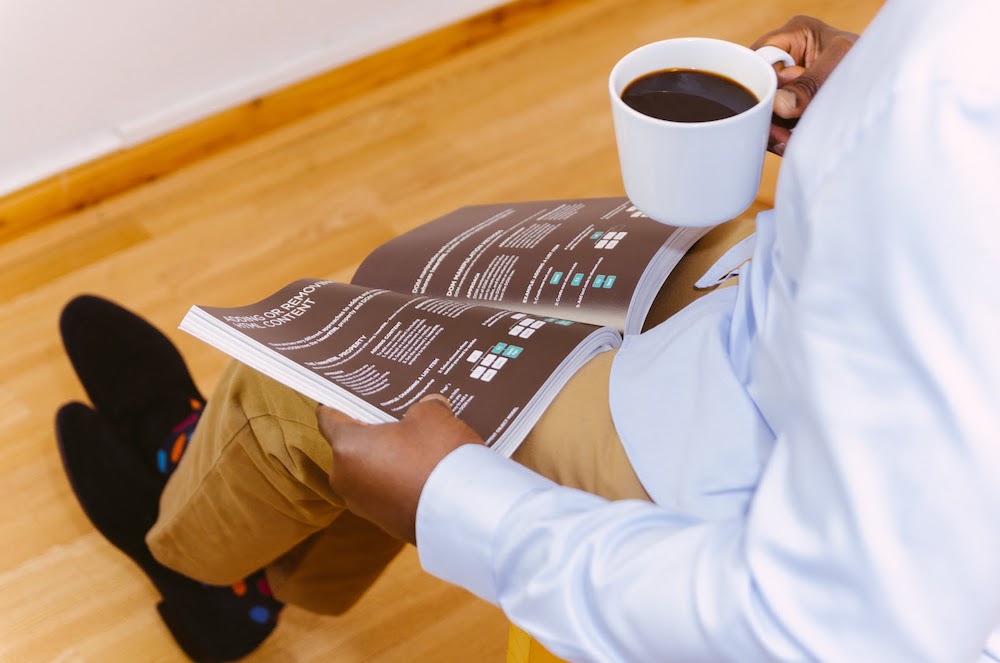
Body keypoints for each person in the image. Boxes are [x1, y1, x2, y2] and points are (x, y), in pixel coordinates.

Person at [55, 2, 1000, 662]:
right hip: (786, 306)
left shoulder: (947, 121)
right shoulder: (943, 107)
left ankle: (194, 559)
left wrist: (458, 499)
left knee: (314, 384)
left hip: (743, 459)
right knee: (439, 294)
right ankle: (263, 561)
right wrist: (880, 81)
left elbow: (837, 629)